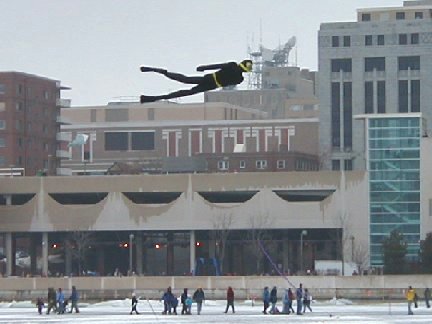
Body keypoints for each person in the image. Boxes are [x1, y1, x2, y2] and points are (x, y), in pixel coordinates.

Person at [139, 60, 253, 103]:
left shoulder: (232, 65)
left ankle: (161, 73)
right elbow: (227, 83)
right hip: (212, 84)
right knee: (187, 90)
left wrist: (203, 67)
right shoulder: (239, 79)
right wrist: (204, 67)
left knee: (184, 80)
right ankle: (156, 97)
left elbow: (217, 66)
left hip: (209, 78)